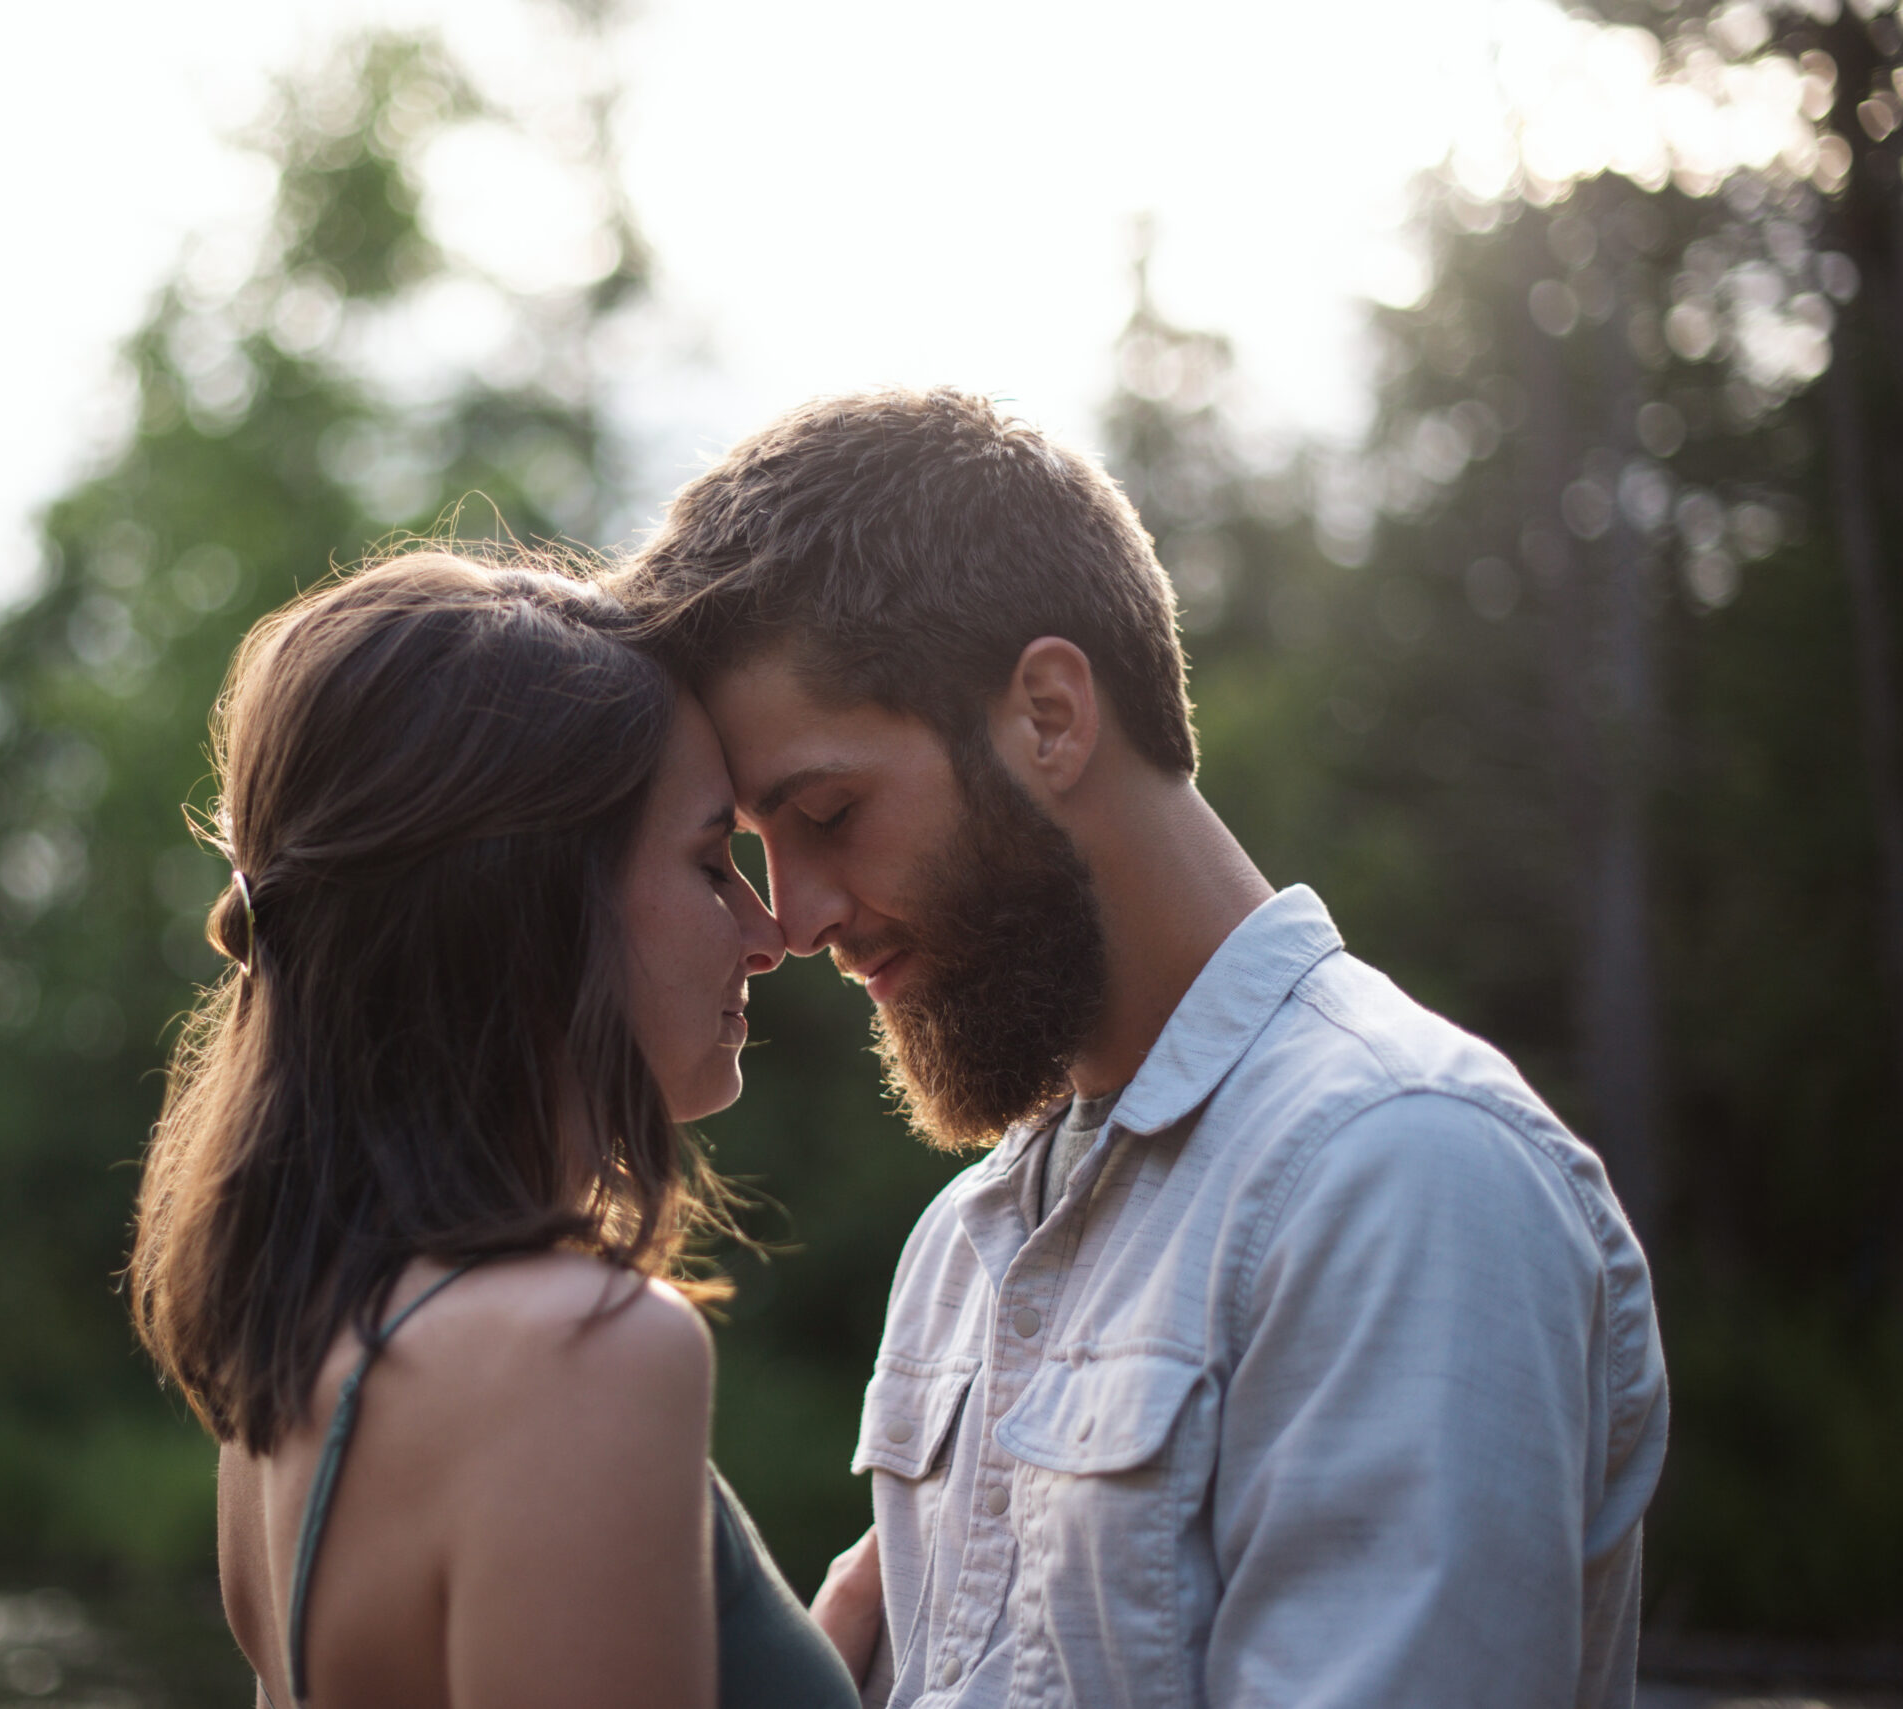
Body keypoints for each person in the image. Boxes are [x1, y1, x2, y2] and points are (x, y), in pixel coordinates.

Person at [622, 389, 1670, 1708]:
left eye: (829, 811)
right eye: (757, 847)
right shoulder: (966, 1246)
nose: (797, 915)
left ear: (1051, 715)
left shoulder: (1403, 1174)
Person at [128, 552, 863, 1709]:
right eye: (709, 858)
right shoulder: (587, 1349)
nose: (768, 929)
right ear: (535, 906)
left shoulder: (296, 1375)